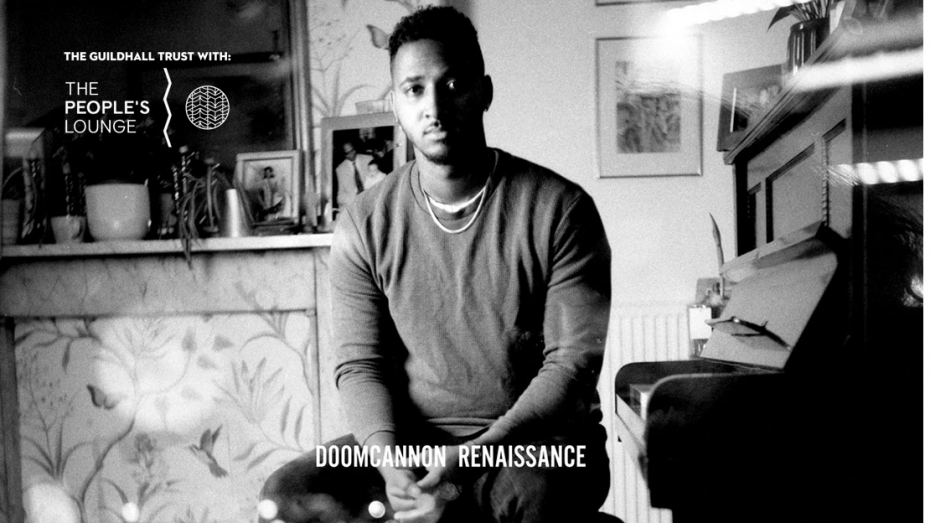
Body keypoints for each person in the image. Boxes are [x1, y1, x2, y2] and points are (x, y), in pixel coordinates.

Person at [260, 6, 612, 523]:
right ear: (396, 103)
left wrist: (469, 460)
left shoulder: (561, 209)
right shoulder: (363, 222)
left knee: (535, 493)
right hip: (412, 446)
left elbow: (571, 367)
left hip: (535, 446)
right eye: (414, 89)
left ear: (484, 91)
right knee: (289, 492)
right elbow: (361, 365)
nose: (434, 108)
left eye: (453, 85)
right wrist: (389, 466)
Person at [335, 139, 375, 210]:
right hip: (354, 206)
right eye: (348, 153)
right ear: (344, 154)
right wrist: (354, 197)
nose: (352, 154)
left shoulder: (369, 159)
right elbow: (339, 197)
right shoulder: (340, 170)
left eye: (352, 150)